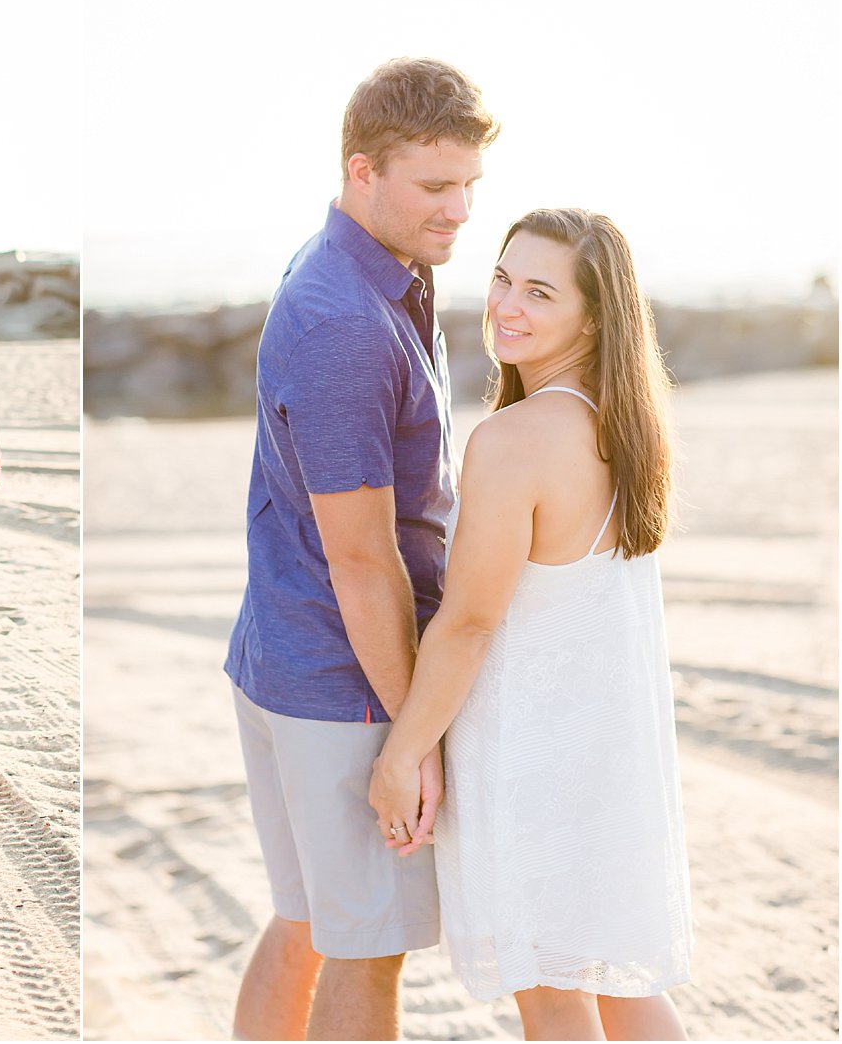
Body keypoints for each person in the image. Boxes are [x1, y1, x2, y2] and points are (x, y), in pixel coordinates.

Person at [223, 58, 498, 1040]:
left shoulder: (372, 270)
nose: (458, 208)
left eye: (468, 183)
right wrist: (407, 734)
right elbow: (362, 560)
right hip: (341, 682)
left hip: (288, 655)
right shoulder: (341, 316)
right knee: (364, 945)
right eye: (434, 186)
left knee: (308, 922)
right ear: (361, 172)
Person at [368, 208, 693, 1039]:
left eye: (539, 291)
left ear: (594, 315)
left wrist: (403, 751)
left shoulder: (516, 438)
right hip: (606, 752)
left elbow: (471, 621)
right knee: (618, 981)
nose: (507, 305)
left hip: (535, 758)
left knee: (553, 994)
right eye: (504, 277)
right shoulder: (623, 425)